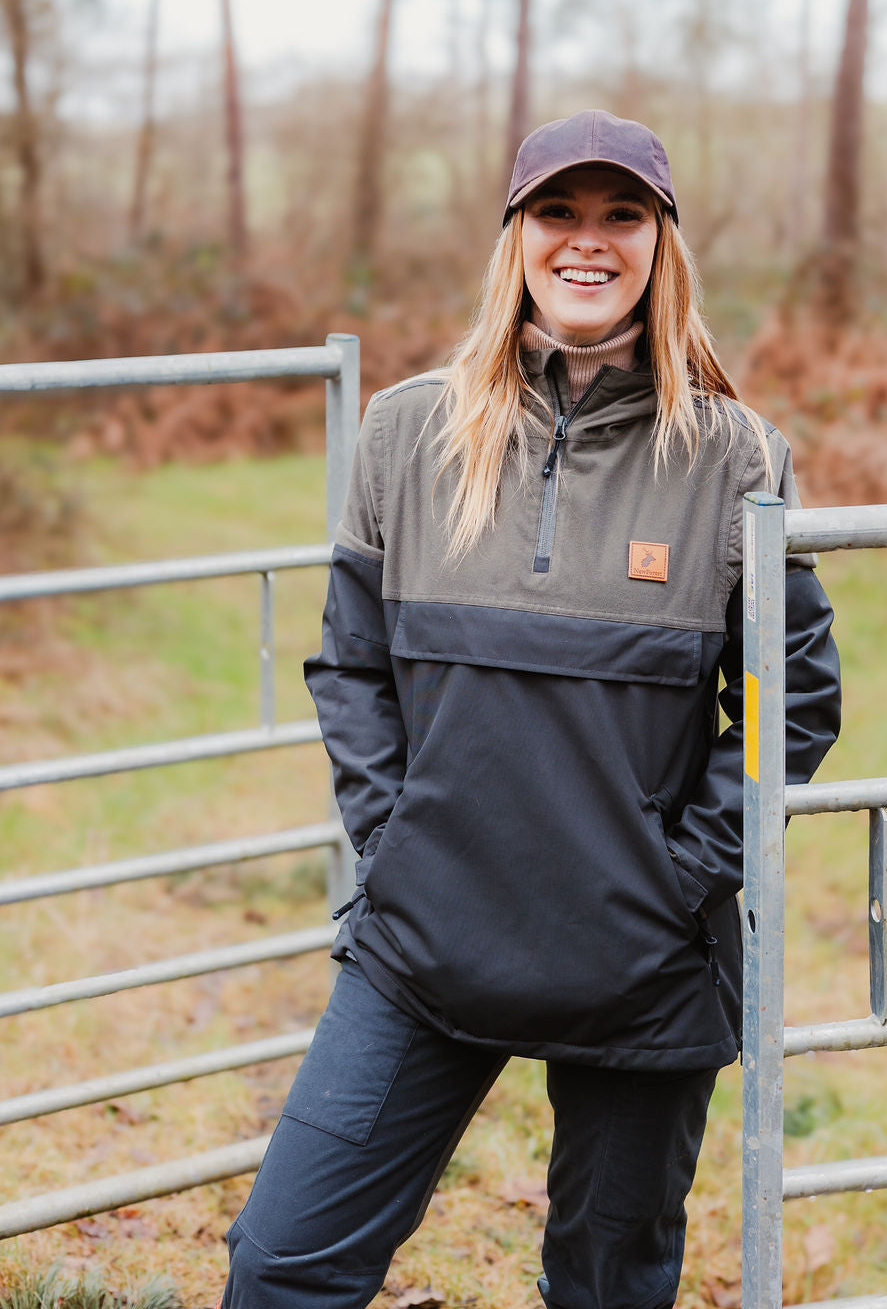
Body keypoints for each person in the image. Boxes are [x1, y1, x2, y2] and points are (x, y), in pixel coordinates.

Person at [221, 109, 841, 1309]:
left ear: (662, 244)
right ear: (515, 234)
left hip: (644, 956)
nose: (587, 242)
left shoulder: (736, 458)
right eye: (558, 212)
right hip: (425, 939)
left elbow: (788, 697)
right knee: (282, 1261)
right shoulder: (406, 434)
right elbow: (350, 668)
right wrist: (402, 845)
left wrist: (682, 872)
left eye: (621, 216)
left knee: (608, 1283)